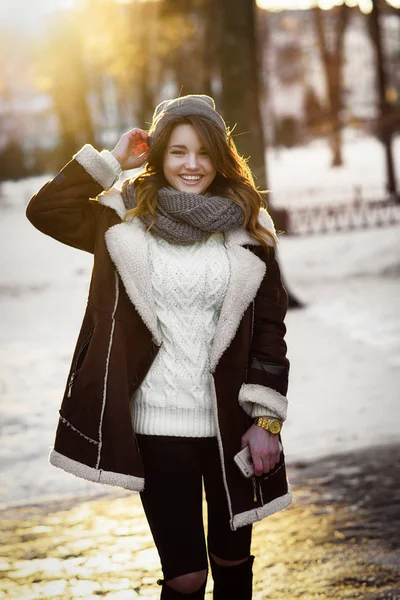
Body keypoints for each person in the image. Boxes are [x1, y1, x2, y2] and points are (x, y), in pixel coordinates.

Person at [26, 94, 291, 599]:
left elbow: (269, 331)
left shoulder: (251, 227)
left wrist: (267, 421)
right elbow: (46, 210)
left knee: (231, 561)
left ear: (221, 158)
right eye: (178, 152)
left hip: (230, 424)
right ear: (160, 154)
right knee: (187, 577)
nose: (192, 165)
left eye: (205, 153)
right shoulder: (120, 219)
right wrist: (112, 161)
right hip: (156, 426)